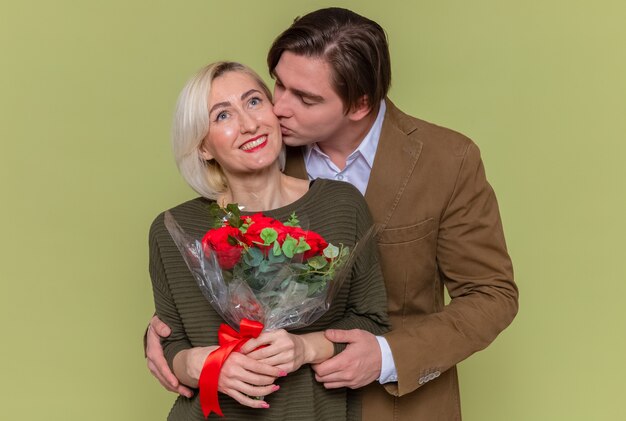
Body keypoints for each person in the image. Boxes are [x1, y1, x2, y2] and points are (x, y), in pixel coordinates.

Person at [147, 8, 519, 420]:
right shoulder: (260, 151)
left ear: (359, 104)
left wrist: (386, 355)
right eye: (278, 85)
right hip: (280, 405)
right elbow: (207, 273)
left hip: (398, 405)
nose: (277, 108)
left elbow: (491, 294)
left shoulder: (447, 160)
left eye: (304, 98)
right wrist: (171, 344)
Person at [148, 60, 389, 420]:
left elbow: (373, 321)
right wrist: (207, 365)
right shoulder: (173, 229)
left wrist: (305, 348)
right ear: (203, 147)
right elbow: (169, 343)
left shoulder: (340, 204)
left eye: (254, 102)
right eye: (223, 116)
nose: (248, 124)